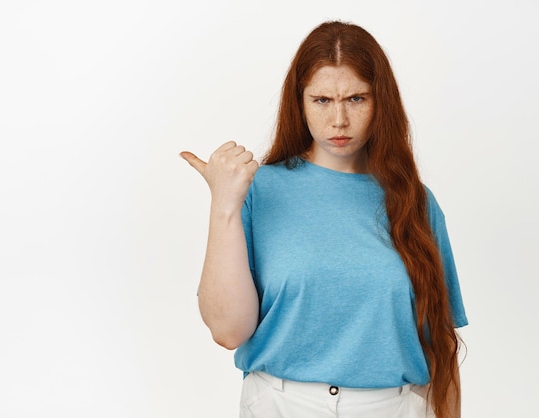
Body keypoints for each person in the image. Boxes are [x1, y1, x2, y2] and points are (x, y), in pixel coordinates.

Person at [180, 20, 467, 418]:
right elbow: (229, 332)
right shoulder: (257, 191)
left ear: (380, 101)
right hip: (280, 403)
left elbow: (441, 345)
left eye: (356, 99)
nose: (339, 121)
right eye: (322, 100)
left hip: (393, 406)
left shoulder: (415, 202)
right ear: (299, 102)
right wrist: (224, 205)